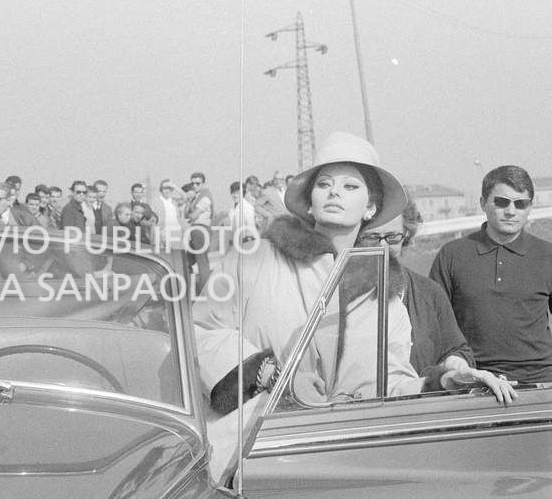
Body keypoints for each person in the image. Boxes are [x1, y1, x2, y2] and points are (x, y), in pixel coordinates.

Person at [196, 132, 422, 413]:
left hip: (342, 446)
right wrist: (273, 376)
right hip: (257, 441)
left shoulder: (383, 290)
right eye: (324, 184)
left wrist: (442, 382)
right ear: (310, 204)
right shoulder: (254, 257)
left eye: (350, 186)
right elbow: (200, 332)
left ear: (370, 207)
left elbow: (391, 381)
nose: (334, 192)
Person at [359, 202, 516, 403]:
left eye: (392, 237)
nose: (382, 246)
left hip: (424, 410)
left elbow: (457, 348)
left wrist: (455, 364)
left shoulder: (429, 292)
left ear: (406, 237)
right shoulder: (339, 296)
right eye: (372, 237)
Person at [430, 165, 552, 384]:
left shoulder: (547, 255)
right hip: (473, 378)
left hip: (539, 379)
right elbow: (433, 323)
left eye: (520, 204)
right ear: (483, 203)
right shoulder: (452, 255)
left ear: (530, 207)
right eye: (501, 202)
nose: (511, 211)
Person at [185, 172, 213, 294]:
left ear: (203, 184)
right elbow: (186, 214)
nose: (195, 186)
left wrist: (190, 209)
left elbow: (192, 216)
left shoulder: (205, 198)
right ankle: (189, 287)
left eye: (198, 183)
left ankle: (204, 290)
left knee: (202, 262)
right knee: (188, 260)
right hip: (196, 230)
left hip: (200, 229)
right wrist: (188, 200)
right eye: (193, 183)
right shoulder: (196, 197)